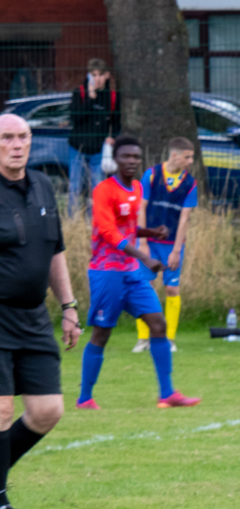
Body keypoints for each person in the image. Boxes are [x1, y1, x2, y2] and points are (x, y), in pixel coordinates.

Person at [76, 136, 201, 410]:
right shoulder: (103, 190)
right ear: (116, 160)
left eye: (136, 157)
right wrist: (145, 256)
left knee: (158, 324)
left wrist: (150, 232)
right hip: (107, 272)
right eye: (126, 157)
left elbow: (128, 229)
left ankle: (166, 394)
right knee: (101, 334)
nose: (132, 161)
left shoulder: (135, 188)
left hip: (131, 272)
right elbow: (108, 233)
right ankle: (84, 398)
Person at [0, 114, 82, 509]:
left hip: (33, 318)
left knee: (48, 410)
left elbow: (55, 252)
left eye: (23, 137)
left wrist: (68, 306)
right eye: (7, 138)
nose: (17, 144)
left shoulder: (43, 185)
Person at [132, 137, 197, 354]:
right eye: (187, 157)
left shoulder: (190, 183)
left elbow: (184, 219)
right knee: (143, 287)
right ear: (175, 155)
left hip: (172, 245)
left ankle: (168, 339)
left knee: (171, 288)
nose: (191, 161)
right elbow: (140, 207)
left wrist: (177, 251)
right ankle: (143, 338)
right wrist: (142, 242)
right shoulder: (151, 175)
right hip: (148, 242)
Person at [67, 59, 120, 219]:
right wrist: (90, 98)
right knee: (75, 187)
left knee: (97, 188)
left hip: (98, 150)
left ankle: (94, 222)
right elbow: (75, 118)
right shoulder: (80, 93)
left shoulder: (112, 97)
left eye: (100, 75)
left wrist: (113, 136)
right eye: (93, 75)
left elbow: (116, 122)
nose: (96, 79)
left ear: (106, 76)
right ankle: (73, 222)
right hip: (78, 148)